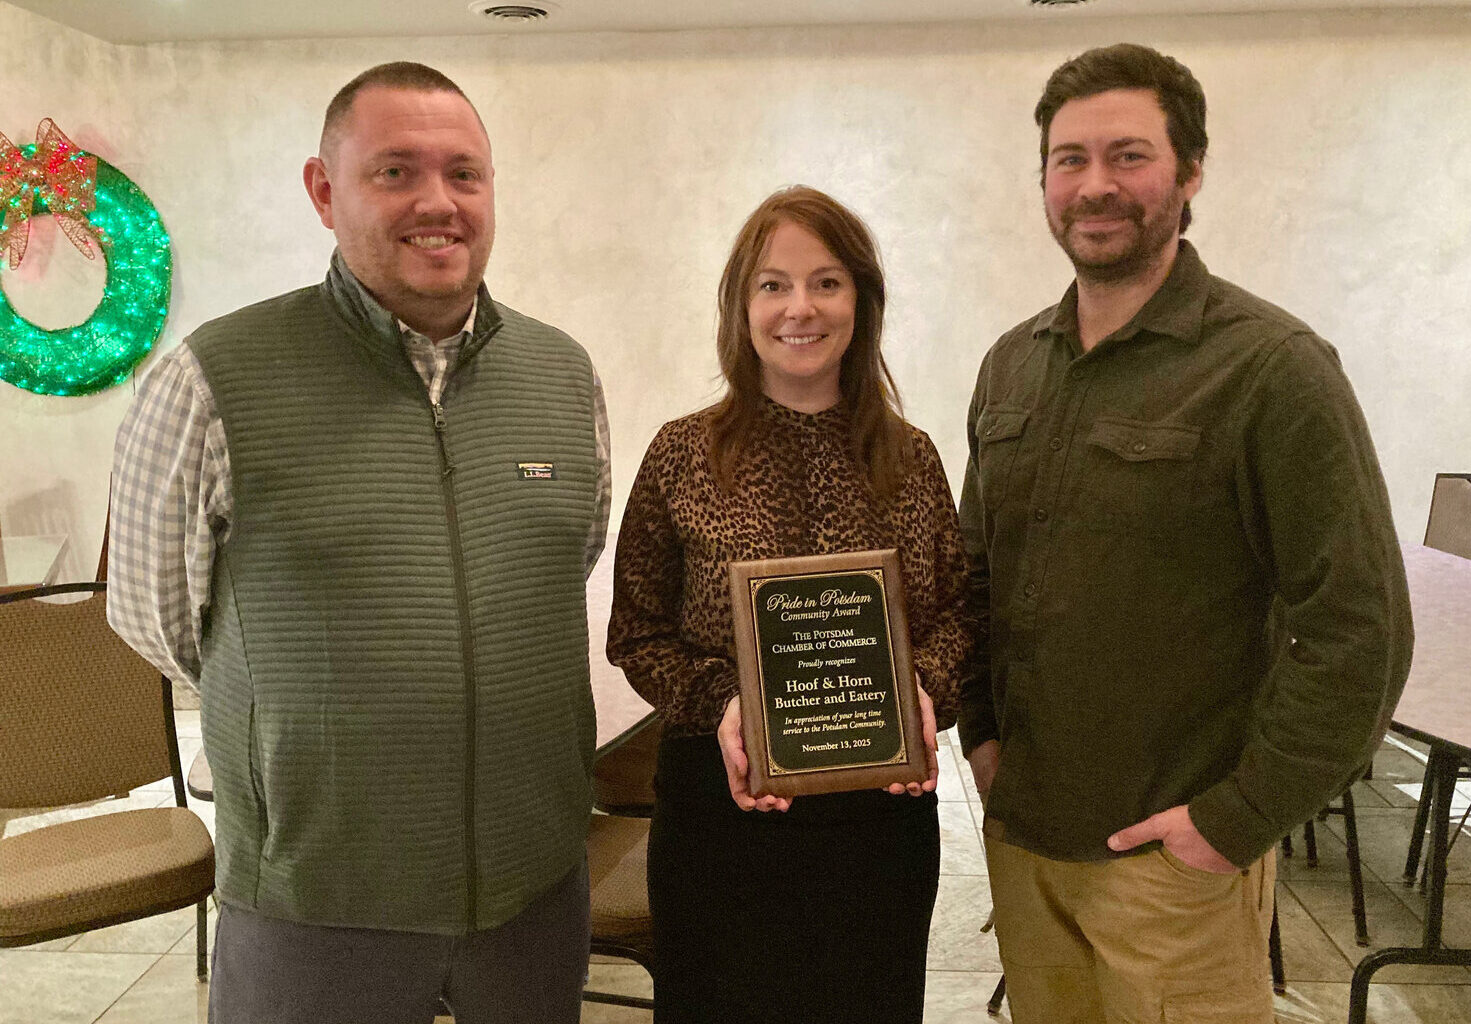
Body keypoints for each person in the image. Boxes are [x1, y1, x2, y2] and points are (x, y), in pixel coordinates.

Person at [107, 62, 609, 1024]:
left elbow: (559, 566)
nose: (439, 202)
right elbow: (159, 622)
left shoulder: (562, 374)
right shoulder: (214, 378)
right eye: (395, 172)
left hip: (532, 893)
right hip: (315, 906)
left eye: (465, 173)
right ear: (323, 190)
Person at [958, 43, 1413, 1023]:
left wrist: (1234, 820)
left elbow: (1359, 629)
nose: (1095, 185)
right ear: (1043, 178)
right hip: (1027, 846)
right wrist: (983, 734)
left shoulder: (1273, 369)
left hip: (1172, 866)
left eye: (1129, 155)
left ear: (1191, 170)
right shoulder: (1010, 369)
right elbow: (974, 580)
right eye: (1069, 159)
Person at [606, 185, 974, 1024]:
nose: (798, 308)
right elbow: (639, 633)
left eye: (826, 282)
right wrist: (727, 705)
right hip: (722, 812)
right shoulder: (682, 453)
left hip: (879, 823)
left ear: (861, 300)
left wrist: (922, 690)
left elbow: (958, 619)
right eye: (772, 284)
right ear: (742, 305)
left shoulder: (911, 458)